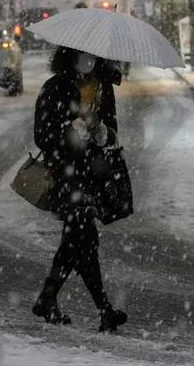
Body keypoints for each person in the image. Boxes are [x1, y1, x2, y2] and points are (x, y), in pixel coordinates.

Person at [31, 46, 128, 333]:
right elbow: (42, 136)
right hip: (65, 174)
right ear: (70, 56)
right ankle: (103, 309)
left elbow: (111, 129)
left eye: (92, 56)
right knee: (83, 238)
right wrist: (69, 132)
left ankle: (49, 298)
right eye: (82, 56)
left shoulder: (103, 86)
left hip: (93, 175)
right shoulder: (55, 87)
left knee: (79, 242)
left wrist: (103, 134)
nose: (88, 62)